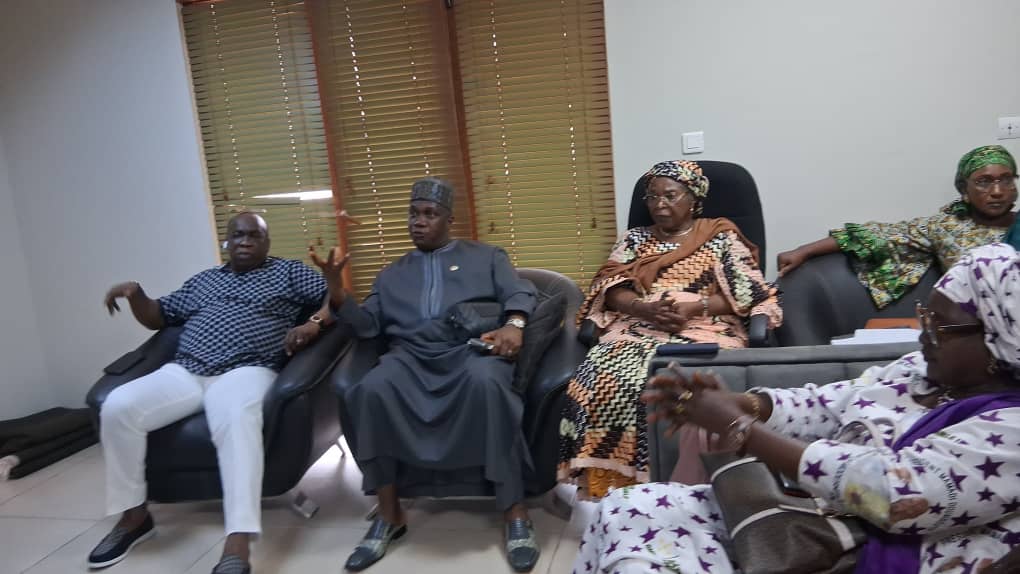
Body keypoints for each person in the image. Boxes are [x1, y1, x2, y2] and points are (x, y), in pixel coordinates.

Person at [575, 242, 1020, 574]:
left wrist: (741, 428)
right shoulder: (922, 370)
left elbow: (894, 495)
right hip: (816, 517)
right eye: (926, 317)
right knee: (625, 508)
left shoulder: (1010, 429)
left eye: (942, 327)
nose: (924, 334)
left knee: (642, 562)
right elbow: (831, 402)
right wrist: (747, 402)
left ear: (998, 339)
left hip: (866, 550)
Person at [90, 212, 344, 574]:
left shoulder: (288, 272)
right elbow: (159, 316)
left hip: (247, 369)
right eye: (238, 235)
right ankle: (134, 517)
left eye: (254, 235)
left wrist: (313, 323)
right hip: (186, 371)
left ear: (267, 242)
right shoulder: (204, 280)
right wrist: (136, 294)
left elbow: (336, 300)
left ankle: (238, 540)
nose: (245, 241)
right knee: (117, 407)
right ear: (227, 241)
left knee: (237, 418)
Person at [330, 178, 541, 572]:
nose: (419, 221)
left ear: (449, 220)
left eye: (429, 214)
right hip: (409, 357)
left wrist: (514, 324)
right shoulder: (390, 274)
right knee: (371, 389)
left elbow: (519, 292)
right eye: (413, 214)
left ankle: (514, 510)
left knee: (488, 384)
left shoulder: (487, 256)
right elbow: (367, 327)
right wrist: (337, 293)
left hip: (469, 353)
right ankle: (389, 514)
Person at [557, 160, 782, 499]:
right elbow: (610, 286)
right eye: (652, 197)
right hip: (639, 324)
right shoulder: (634, 240)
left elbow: (749, 292)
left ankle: (688, 487)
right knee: (599, 379)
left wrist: (695, 307)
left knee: (682, 385)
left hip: (705, 325)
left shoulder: (721, 236)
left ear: (693, 200)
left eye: (670, 196)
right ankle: (613, 487)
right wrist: (642, 308)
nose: (659, 204)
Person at [777, 144, 1020, 308]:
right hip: (971, 329)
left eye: (1006, 180)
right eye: (984, 182)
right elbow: (877, 235)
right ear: (964, 190)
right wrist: (803, 251)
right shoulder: (945, 227)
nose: (997, 191)